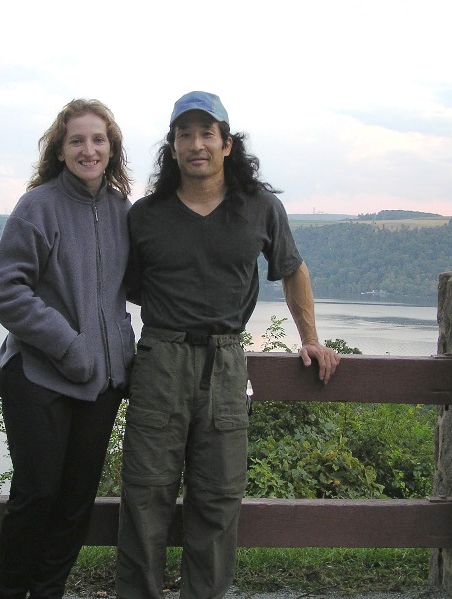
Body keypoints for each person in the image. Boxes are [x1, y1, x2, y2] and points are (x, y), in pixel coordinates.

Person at [116, 91, 340, 599]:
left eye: (206, 134)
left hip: (226, 361)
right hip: (161, 359)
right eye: (184, 135)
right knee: (145, 495)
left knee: (218, 498)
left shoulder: (260, 208)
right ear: (172, 147)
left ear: (227, 144)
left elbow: (292, 270)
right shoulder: (145, 215)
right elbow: (129, 286)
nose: (196, 144)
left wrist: (311, 340)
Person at [0, 98, 135, 599]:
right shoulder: (39, 206)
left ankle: (47, 592)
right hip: (40, 376)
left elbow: (132, 286)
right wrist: (70, 346)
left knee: (76, 504)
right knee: (37, 496)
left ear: (112, 148)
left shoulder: (121, 210)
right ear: (60, 148)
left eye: (98, 140)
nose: (88, 149)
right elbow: (7, 291)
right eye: (77, 140)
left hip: (99, 384)